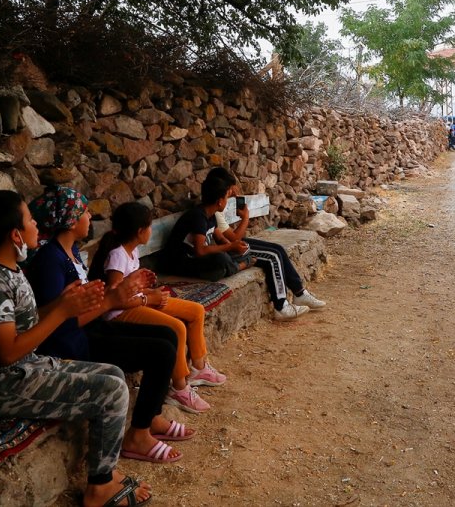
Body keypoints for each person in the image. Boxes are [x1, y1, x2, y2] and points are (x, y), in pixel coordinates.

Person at [0, 190, 152, 506]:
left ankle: (106, 469)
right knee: (111, 391)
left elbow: (24, 324)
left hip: (25, 368)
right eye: (30, 220)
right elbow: (5, 353)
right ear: (15, 235)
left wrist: (64, 303)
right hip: (2, 384)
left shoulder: (9, 271)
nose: (37, 225)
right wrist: (62, 312)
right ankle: (99, 488)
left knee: (114, 374)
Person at [26, 186, 194, 465]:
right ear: (70, 220)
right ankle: (138, 436)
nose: (89, 217)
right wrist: (113, 300)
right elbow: (59, 323)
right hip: (70, 344)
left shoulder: (70, 252)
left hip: (88, 329)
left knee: (167, 334)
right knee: (161, 351)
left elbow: (87, 302)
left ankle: (152, 418)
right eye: (84, 212)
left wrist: (125, 290)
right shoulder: (50, 261)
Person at [88, 202, 228, 415]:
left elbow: (132, 288)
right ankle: (179, 388)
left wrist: (151, 293)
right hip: (121, 313)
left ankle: (199, 368)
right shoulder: (117, 255)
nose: (151, 230)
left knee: (196, 311)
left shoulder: (131, 251)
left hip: (140, 301)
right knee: (176, 327)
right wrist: (148, 299)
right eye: (150, 226)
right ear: (140, 231)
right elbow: (114, 299)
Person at [206, 167, 327, 321]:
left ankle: (300, 293)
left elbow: (230, 238)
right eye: (229, 189)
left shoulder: (215, 204)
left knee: (278, 249)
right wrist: (246, 218)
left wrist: (234, 196)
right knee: (272, 256)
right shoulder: (215, 209)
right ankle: (281, 306)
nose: (232, 191)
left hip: (231, 245)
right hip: (229, 249)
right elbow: (234, 239)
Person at [159, 174, 254, 283]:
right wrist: (230, 247)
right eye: (226, 198)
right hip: (181, 262)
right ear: (220, 201)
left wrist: (235, 247)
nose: (227, 201)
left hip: (198, 260)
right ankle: (239, 266)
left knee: (240, 253)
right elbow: (200, 251)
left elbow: (220, 239)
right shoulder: (198, 217)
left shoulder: (211, 214)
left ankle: (230, 266)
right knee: (221, 258)